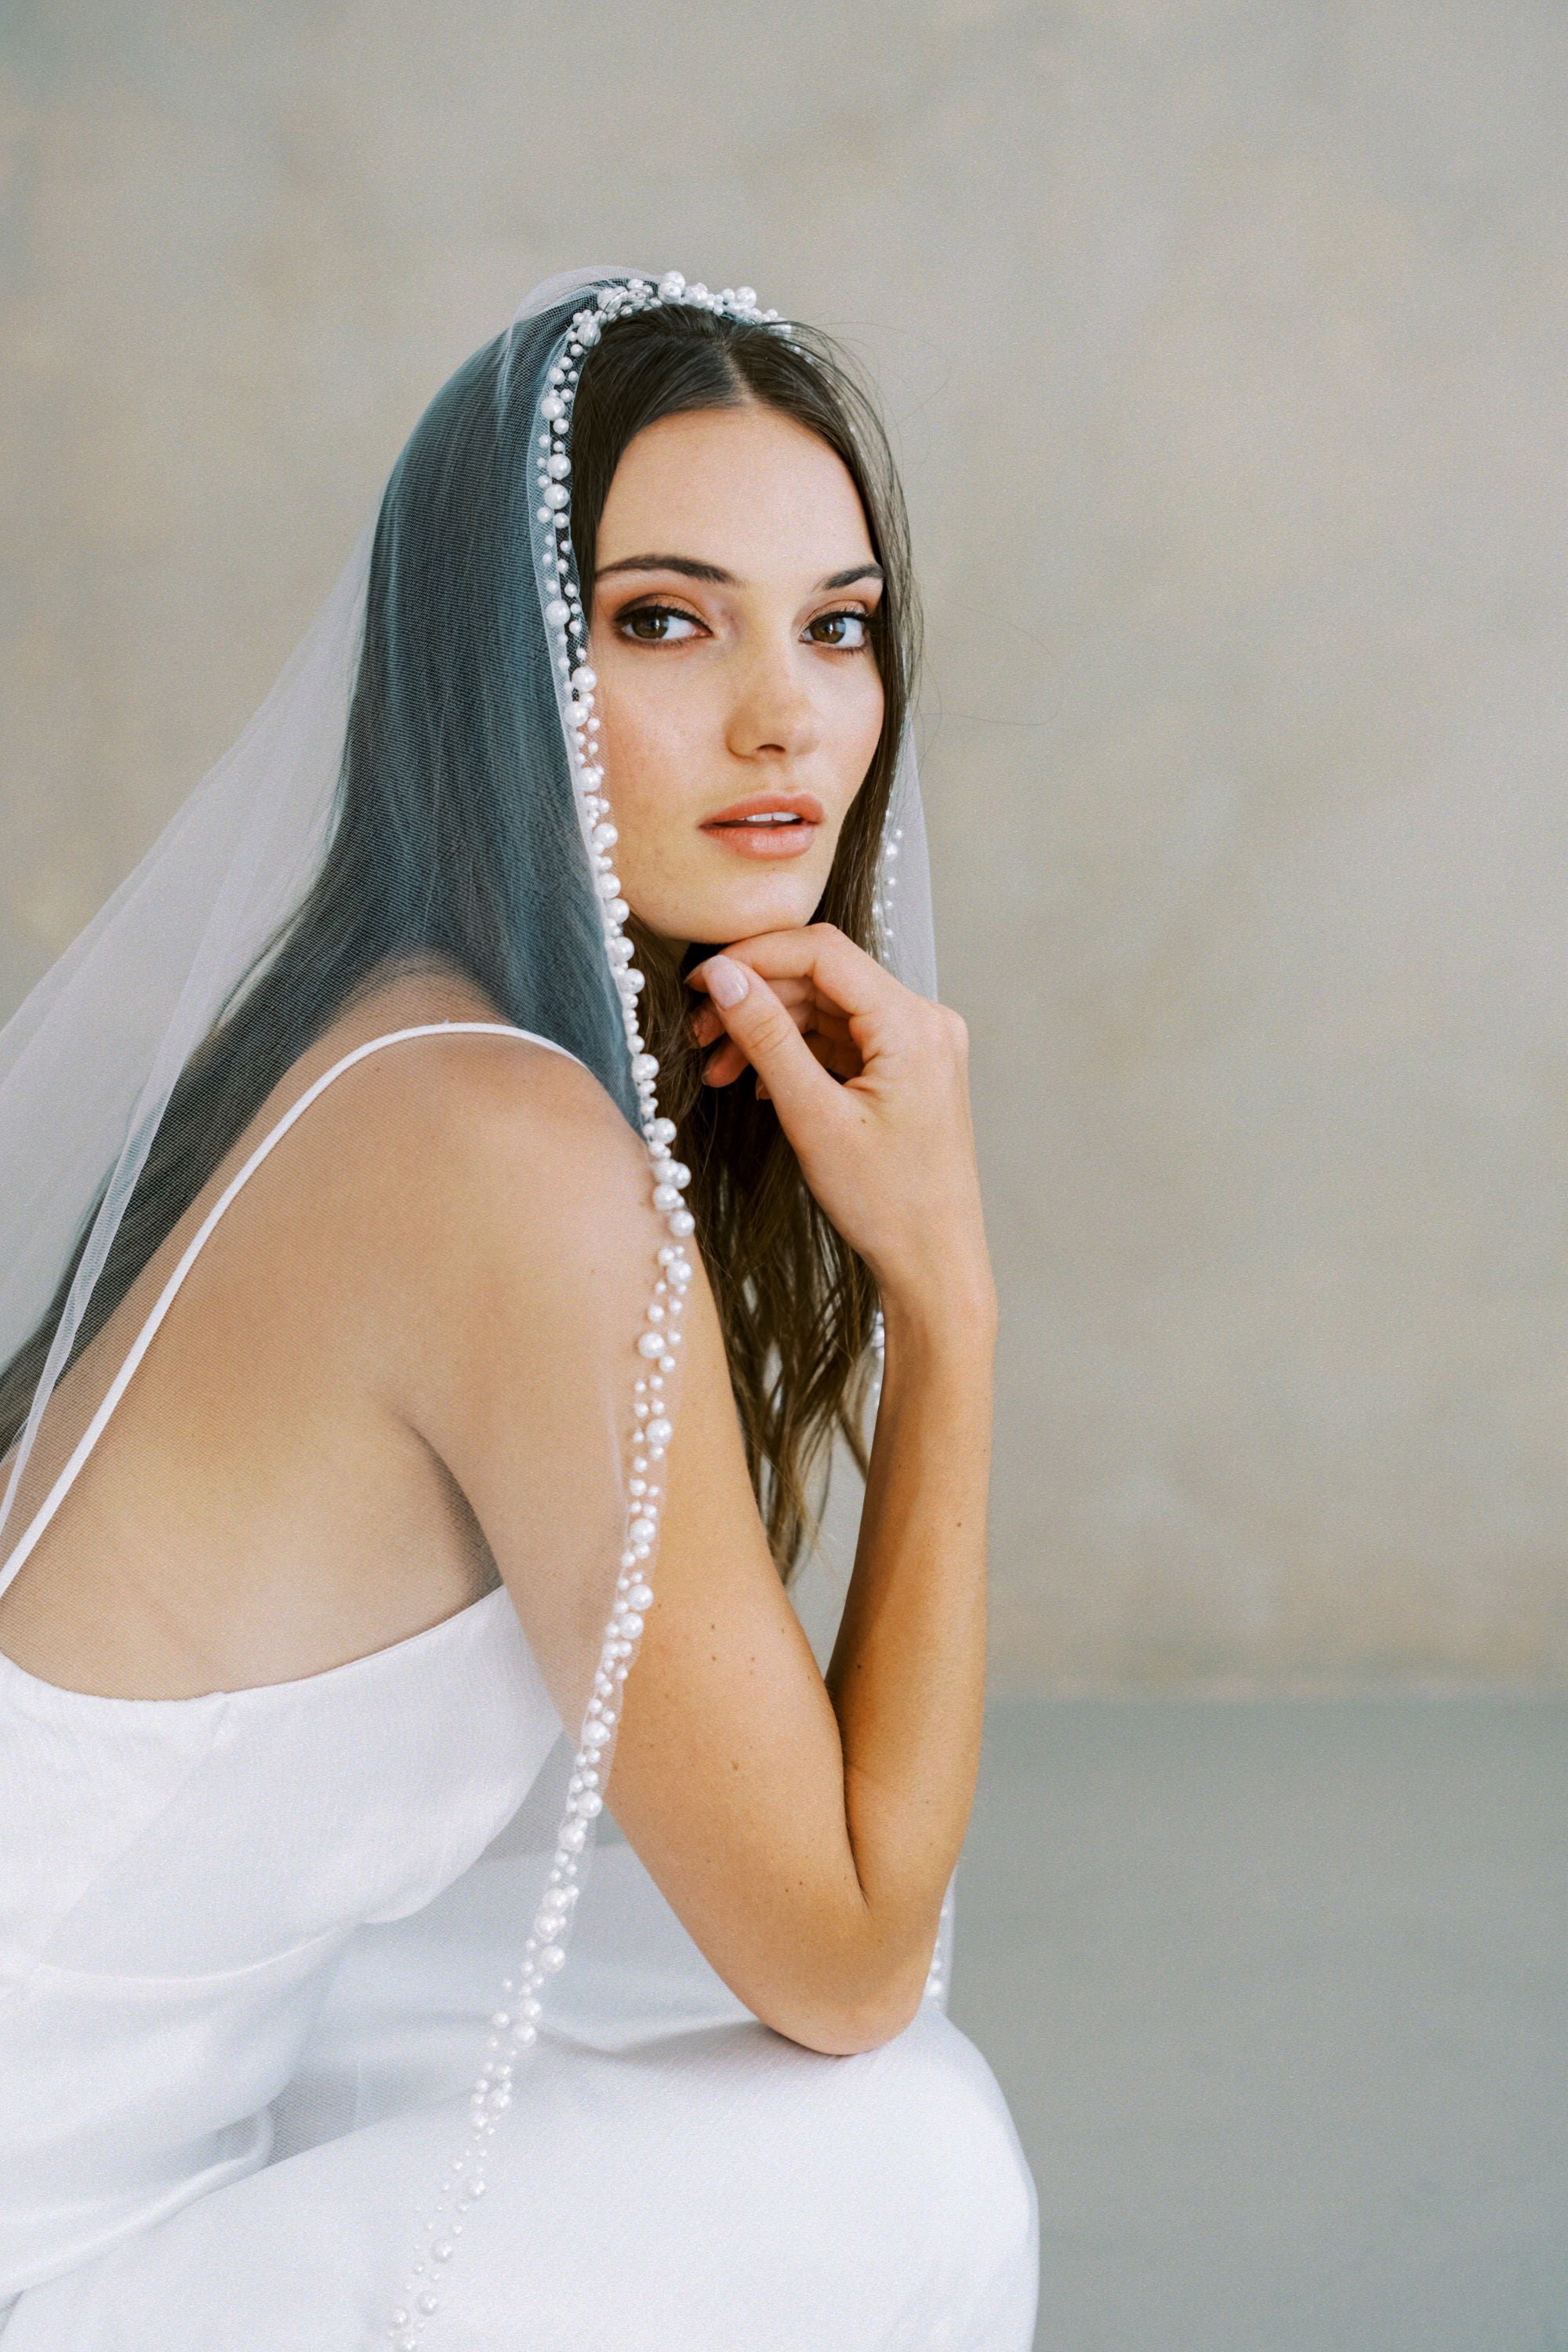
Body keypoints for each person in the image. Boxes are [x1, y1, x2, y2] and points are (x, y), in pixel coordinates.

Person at [0, 270, 1038, 2347]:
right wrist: (950, 1298)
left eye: (835, 625)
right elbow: (842, 1957)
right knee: (905, 2142)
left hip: (115, 2122)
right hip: (47, 2229)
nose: (787, 716)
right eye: (666, 619)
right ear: (498, 667)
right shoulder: (497, 1143)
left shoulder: (399, 1031)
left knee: (533, 1995)